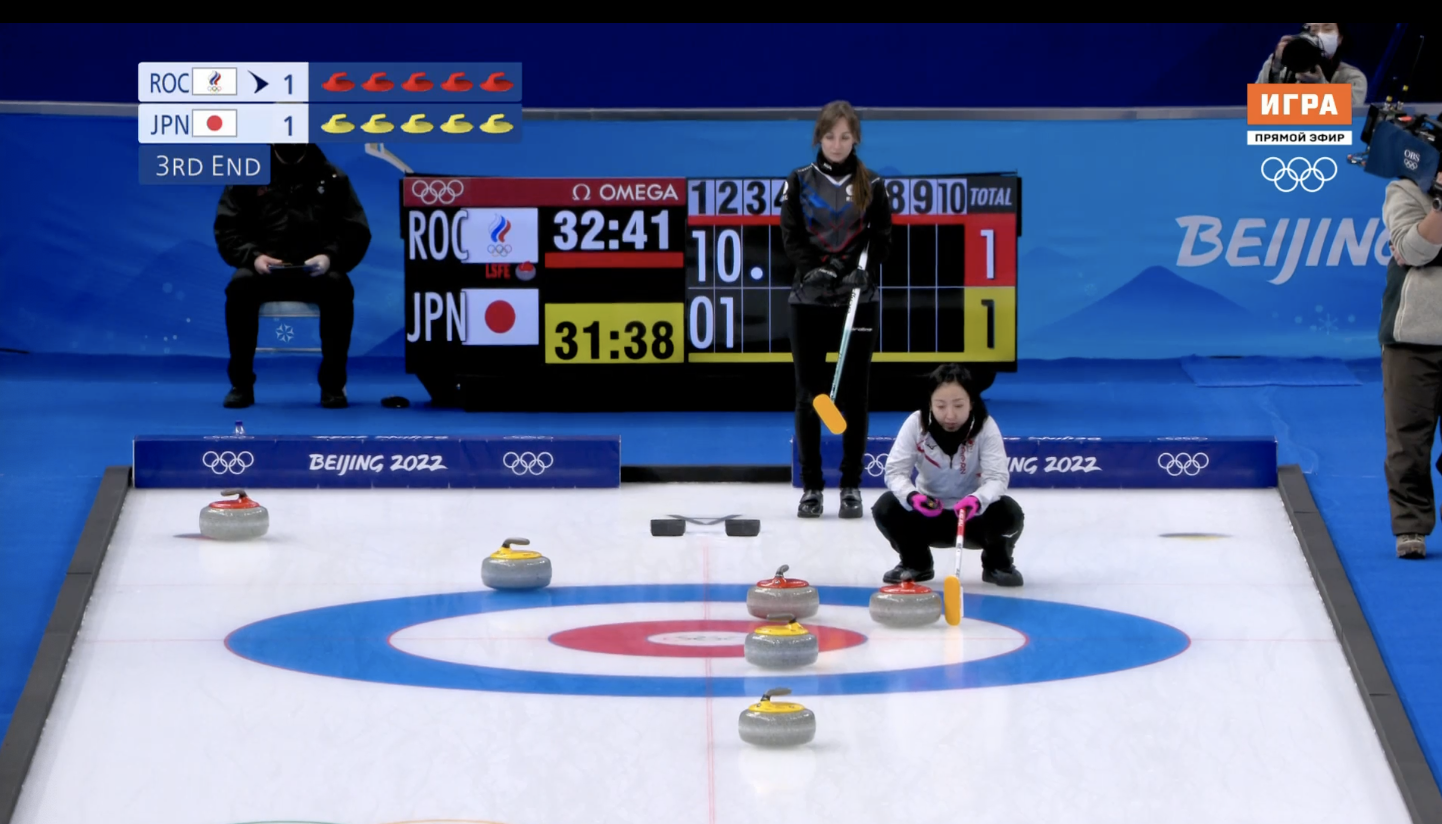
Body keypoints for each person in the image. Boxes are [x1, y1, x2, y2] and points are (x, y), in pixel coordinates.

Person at [779, 100, 894, 519]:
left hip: (857, 302)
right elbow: (791, 237)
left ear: (855, 138)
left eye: (845, 136)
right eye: (830, 136)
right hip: (808, 301)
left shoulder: (873, 183)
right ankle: (811, 486)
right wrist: (816, 270)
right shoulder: (798, 180)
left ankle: (851, 486)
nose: (837, 144)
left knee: (854, 397)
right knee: (809, 395)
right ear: (819, 138)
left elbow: (881, 237)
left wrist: (861, 270)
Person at [214, 143, 372, 409]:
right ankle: (241, 385)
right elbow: (227, 229)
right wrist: (254, 257)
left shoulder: (332, 177)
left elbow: (356, 230)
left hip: (316, 271)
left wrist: (329, 257)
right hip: (264, 271)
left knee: (339, 286)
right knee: (239, 285)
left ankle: (333, 386)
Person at [870, 363, 1024, 586]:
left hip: (972, 518)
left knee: (1009, 512)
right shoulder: (916, 424)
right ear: (930, 403)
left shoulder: (985, 427)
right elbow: (895, 471)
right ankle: (916, 563)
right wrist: (913, 496)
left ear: (971, 403)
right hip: (929, 515)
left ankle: (997, 564)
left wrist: (978, 499)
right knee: (887, 507)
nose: (950, 415)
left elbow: (997, 478)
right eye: (940, 406)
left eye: (959, 405)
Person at [1379, 169, 1442, 558]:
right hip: (1413, 338)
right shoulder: (1404, 190)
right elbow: (1414, 251)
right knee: (1408, 442)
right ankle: (1410, 527)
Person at [1257, 23, 1368, 107]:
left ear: (1340, 38)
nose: (1320, 35)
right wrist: (1275, 67)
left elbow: (1350, 116)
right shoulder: (1285, 67)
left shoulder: (1352, 77)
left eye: (1327, 29)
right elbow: (1257, 107)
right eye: (1314, 30)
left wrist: (1320, 85)